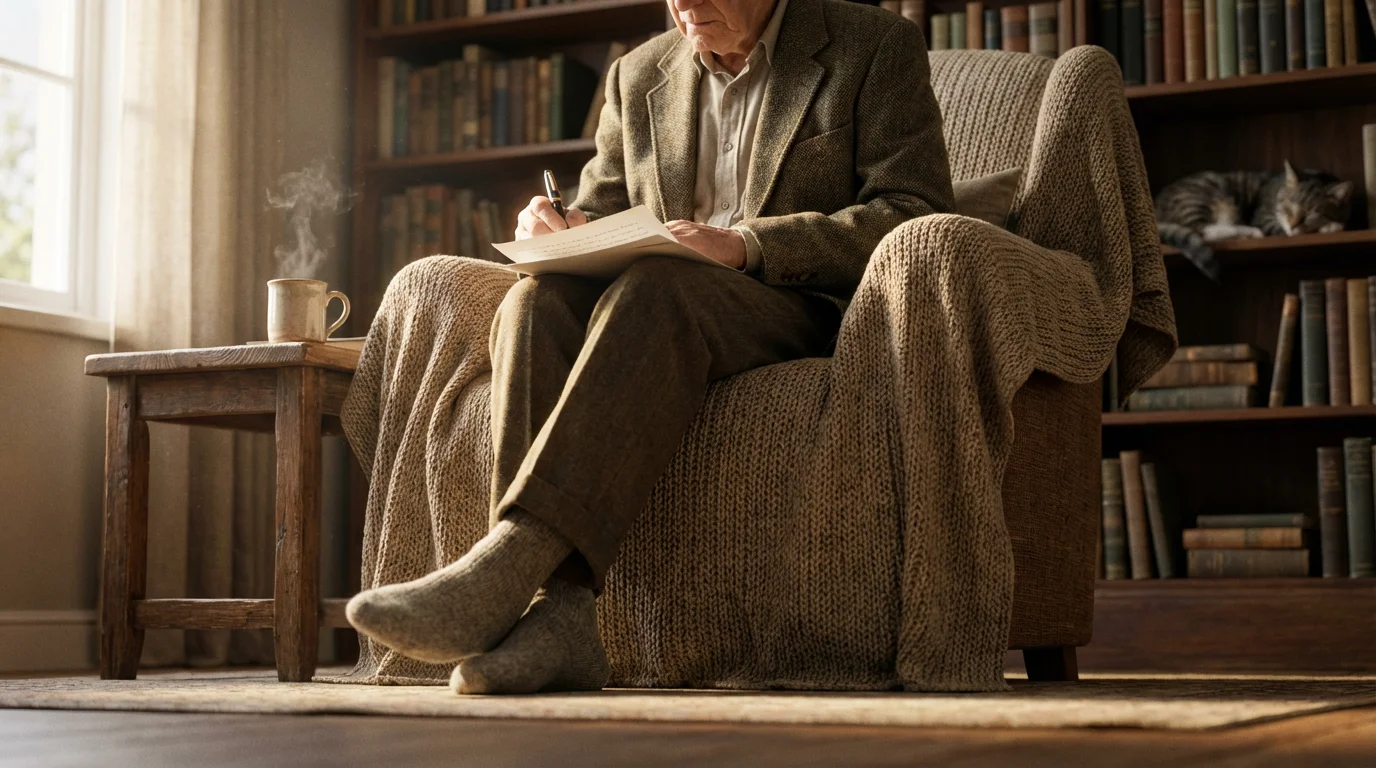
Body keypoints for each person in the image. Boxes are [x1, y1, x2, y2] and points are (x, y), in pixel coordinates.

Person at [345, 0, 955, 694]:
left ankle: (505, 564)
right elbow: (603, 210)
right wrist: (562, 226)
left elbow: (912, 208)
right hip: (654, 292)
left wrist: (745, 243)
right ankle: (561, 615)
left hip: (798, 302)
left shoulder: (873, 44)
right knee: (535, 299)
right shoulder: (638, 72)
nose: (686, 4)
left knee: (662, 282)